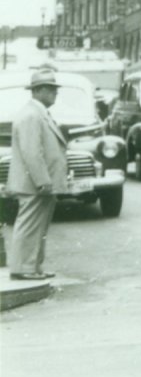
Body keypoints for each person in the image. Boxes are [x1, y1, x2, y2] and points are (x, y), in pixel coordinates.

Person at [4, 69, 70, 280]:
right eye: (51, 89)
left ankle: (32, 267)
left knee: (38, 226)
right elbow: (32, 152)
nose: (55, 93)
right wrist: (43, 180)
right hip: (34, 183)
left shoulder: (37, 113)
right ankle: (23, 268)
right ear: (39, 90)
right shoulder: (31, 115)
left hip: (38, 183)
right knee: (30, 225)